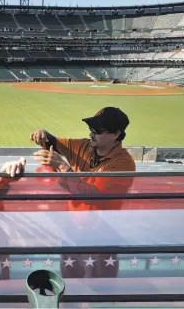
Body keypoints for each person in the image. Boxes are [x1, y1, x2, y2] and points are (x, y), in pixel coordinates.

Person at [30, 107, 136, 279]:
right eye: (91, 130)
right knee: (69, 283)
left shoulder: (124, 164)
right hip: (72, 230)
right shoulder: (83, 146)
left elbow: (93, 195)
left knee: (102, 285)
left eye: (98, 131)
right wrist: (43, 135)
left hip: (104, 235)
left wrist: (63, 167)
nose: (91, 134)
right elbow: (54, 142)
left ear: (116, 134)